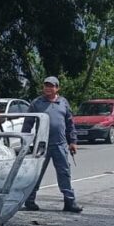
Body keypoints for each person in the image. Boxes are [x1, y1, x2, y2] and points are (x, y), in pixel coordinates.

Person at [23, 76, 82, 213]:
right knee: (36, 173)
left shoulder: (63, 103)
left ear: (57, 88)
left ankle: (69, 202)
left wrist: (72, 141)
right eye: (46, 85)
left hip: (60, 144)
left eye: (51, 86)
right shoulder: (37, 103)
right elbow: (27, 123)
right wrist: (25, 141)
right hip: (42, 145)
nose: (48, 88)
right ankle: (29, 200)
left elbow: (70, 123)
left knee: (64, 173)